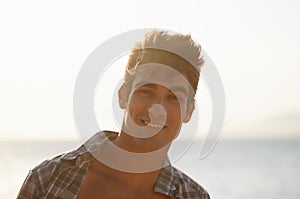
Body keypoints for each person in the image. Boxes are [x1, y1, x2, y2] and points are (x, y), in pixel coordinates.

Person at [17, 30, 210, 199]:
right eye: (146, 92)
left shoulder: (193, 196)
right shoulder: (48, 177)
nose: (157, 108)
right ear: (123, 95)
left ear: (189, 110)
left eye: (174, 98)